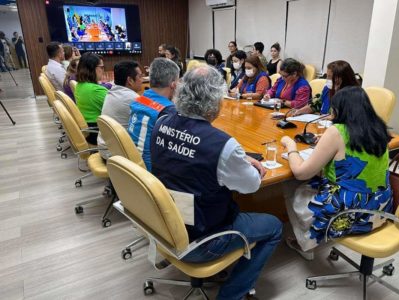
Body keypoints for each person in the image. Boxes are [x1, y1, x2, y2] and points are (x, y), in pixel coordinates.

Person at [150, 65, 282, 300]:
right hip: (201, 241)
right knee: (274, 226)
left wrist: (235, 160)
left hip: (165, 224)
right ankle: (232, 295)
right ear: (215, 102)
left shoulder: (161, 122)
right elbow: (250, 186)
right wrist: (245, 162)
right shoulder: (222, 145)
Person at [281, 86, 392, 260]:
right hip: (379, 209)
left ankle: (306, 243)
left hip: (347, 213)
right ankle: (314, 235)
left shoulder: (337, 131)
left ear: (339, 109)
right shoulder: (379, 129)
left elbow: (301, 173)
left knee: (290, 183)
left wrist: (291, 146)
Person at [128, 58, 178, 171]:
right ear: (173, 84)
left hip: (131, 166)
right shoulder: (168, 112)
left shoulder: (140, 99)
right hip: (149, 173)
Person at [98, 61, 143, 159]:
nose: (142, 80)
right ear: (130, 80)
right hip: (117, 156)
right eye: (140, 76)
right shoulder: (133, 98)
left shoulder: (112, 91)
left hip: (105, 148)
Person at [295, 60, 360, 115]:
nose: (327, 79)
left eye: (330, 77)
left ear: (341, 78)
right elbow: (315, 106)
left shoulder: (354, 96)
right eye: (327, 76)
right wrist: (299, 111)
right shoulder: (327, 89)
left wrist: (332, 118)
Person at [75, 52, 108, 145]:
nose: (103, 70)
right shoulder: (96, 90)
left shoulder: (80, 85)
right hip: (98, 133)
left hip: (90, 130)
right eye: (101, 67)